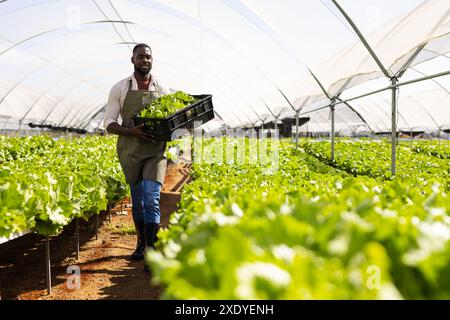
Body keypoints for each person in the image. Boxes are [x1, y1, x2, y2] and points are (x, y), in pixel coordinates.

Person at [103, 43, 168, 268]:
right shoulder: (120, 88)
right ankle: (141, 242)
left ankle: (152, 251)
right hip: (131, 152)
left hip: (155, 152)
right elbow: (109, 123)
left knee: (152, 198)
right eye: (140, 57)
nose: (145, 60)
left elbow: (169, 119)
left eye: (148, 57)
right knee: (138, 202)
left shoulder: (162, 89)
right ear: (132, 60)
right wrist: (131, 131)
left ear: (152, 59)